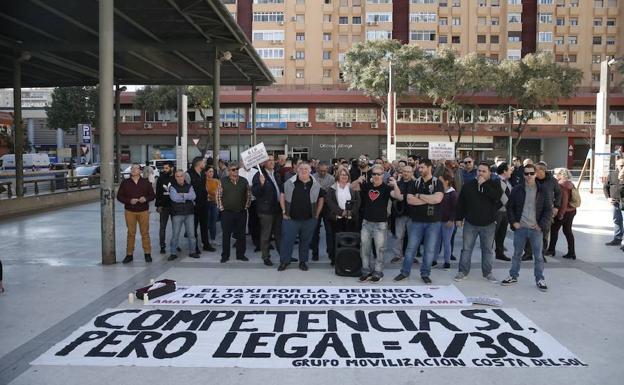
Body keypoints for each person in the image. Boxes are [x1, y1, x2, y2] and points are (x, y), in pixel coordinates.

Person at [502, 163, 552, 291]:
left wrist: (541, 225)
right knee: (517, 254)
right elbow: (510, 208)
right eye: (526, 173)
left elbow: (548, 210)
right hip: (521, 228)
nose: (529, 176)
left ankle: (540, 278)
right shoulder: (517, 189)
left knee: (538, 256)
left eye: (531, 173)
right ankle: (513, 276)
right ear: (523, 175)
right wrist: (514, 223)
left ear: (536, 174)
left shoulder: (543, 190)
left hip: (536, 229)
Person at [394, 159, 445, 284]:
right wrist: (428, 199)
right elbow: (410, 200)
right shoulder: (415, 182)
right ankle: (404, 272)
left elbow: (438, 199)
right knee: (411, 248)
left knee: (429, 249)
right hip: (416, 221)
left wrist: (420, 196)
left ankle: (425, 274)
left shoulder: (437, 182)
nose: (420, 170)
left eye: (422, 167)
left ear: (429, 168)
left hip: (433, 222)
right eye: (419, 168)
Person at [352, 164, 403, 283]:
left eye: (378, 174)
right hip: (366, 223)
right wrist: (357, 180)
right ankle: (366, 271)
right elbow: (352, 187)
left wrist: (395, 184)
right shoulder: (367, 186)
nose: (376, 176)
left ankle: (378, 272)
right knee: (364, 249)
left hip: (380, 224)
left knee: (380, 249)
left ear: (383, 175)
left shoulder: (386, 188)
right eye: (374, 174)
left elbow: (399, 197)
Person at [453, 162, 503, 283]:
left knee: (487, 250)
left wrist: (484, 185)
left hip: (489, 224)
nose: (480, 173)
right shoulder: (468, 186)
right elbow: (461, 204)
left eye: (483, 171)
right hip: (471, 223)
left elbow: (497, 198)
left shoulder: (495, 184)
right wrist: (459, 218)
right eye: (479, 171)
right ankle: (462, 272)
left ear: (489, 173)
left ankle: (487, 273)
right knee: (466, 249)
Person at [278, 162, 325, 272]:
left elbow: (321, 198)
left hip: (309, 219)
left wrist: (317, 214)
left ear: (310, 171)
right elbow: (282, 196)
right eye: (301, 168)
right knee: (287, 241)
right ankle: (285, 261)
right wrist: (284, 211)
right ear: (297, 170)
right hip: (290, 219)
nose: (304, 170)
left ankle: (303, 262)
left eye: (306, 169)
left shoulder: (315, 184)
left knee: (305, 242)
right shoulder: (289, 183)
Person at [116, 163, 156, 264]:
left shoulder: (145, 182)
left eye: (136, 168)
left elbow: (152, 195)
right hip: (130, 211)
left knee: (145, 233)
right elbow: (119, 196)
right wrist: (129, 200)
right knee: (130, 233)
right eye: (132, 168)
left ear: (140, 171)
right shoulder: (125, 183)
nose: (133, 170)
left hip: (143, 211)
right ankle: (129, 254)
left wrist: (145, 199)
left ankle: (147, 254)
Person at [324, 166, 361, 265]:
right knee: (336, 240)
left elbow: (358, 202)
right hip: (337, 219)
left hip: (350, 218)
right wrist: (341, 212)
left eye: (346, 175)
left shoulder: (353, 187)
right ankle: (335, 259)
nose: (344, 176)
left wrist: (350, 212)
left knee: (349, 239)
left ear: (348, 176)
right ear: (338, 176)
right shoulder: (332, 188)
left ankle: (348, 258)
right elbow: (329, 202)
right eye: (341, 174)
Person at [216, 162, 251, 263]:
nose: (235, 171)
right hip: (227, 213)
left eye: (237, 169)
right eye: (233, 169)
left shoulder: (244, 181)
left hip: (241, 212)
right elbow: (218, 196)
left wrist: (245, 207)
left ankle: (241, 255)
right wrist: (222, 209)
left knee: (241, 235)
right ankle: (225, 255)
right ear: (229, 171)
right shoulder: (223, 181)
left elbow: (248, 195)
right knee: (226, 235)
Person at [252, 155, 284, 266]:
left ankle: (283, 256)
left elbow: (280, 190)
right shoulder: (259, 175)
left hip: (277, 209)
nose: (271, 162)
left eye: (272, 160)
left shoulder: (277, 174)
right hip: (266, 210)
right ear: (263, 163)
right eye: (268, 160)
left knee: (279, 234)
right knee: (266, 235)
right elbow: (255, 192)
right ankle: (265, 256)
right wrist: (261, 184)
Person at [528, 162, 561, 261]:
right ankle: (528, 254)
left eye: (536, 170)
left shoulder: (552, 181)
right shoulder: (532, 179)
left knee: (544, 233)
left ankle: (541, 255)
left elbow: (559, 194)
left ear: (542, 171)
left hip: (546, 211)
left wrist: (556, 207)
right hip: (532, 210)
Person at [186, 157, 215, 254]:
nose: (205, 163)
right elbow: (186, 189)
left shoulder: (203, 173)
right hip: (193, 205)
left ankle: (206, 244)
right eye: (203, 162)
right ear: (198, 163)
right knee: (193, 227)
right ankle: (195, 246)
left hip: (204, 203)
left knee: (204, 225)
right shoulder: (188, 174)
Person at [546, 168, 577, 259]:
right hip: (572, 210)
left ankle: (551, 250)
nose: (554, 175)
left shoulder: (561, 185)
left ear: (560, 174)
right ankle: (572, 252)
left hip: (564, 211)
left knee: (554, 230)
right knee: (568, 231)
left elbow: (564, 200)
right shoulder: (570, 183)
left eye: (555, 173)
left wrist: (561, 214)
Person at [168, 170, 199, 260]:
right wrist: (186, 197)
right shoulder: (172, 187)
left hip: (189, 213)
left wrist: (182, 195)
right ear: (175, 177)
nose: (179, 178)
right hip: (177, 214)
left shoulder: (189, 186)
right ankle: (173, 253)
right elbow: (174, 198)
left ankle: (192, 252)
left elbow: (193, 196)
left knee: (191, 235)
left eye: (181, 176)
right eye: (177, 176)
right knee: (175, 235)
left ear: (184, 177)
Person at [390, 165, 414, 264]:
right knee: (399, 236)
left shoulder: (416, 184)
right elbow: (395, 196)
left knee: (413, 237)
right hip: (400, 214)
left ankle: (411, 255)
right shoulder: (397, 184)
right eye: (404, 171)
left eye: (408, 171)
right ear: (402, 172)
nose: (406, 173)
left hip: (413, 214)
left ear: (412, 173)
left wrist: (401, 196)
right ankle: (397, 255)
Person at [434, 170, 458, 270]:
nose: (438, 183)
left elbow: (455, 208)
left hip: (447, 222)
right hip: (438, 221)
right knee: (436, 242)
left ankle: (447, 262)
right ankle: (434, 260)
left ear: (446, 181)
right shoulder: (438, 192)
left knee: (446, 242)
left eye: (440, 181)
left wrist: (451, 220)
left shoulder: (452, 193)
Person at [311, 162, 335, 261]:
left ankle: (330, 252)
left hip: (327, 207)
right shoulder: (312, 177)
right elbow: (312, 191)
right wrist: (323, 191)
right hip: (315, 206)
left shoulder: (331, 178)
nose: (323, 172)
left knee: (329, 231)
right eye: (321, 171)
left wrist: (321, 191)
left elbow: (331, 193)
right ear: (317, 169)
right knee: (314, 231)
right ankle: (315, 253)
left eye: (325, 171)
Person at [494, 162, 513, 261]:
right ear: (504, 171)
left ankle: (499, 253)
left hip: (505, 212)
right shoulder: (496, 181)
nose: (511, 172)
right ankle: (488, 254)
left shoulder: (507, 182)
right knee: (493, 233)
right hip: (497, 212)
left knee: (502, 234)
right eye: (509, 170)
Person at [155, 161, 175, 254]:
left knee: (176, 227)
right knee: (162, 227)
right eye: (164, 168)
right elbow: (158, 192)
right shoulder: (160, 178)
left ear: (171, 168)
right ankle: (162, 246)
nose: (164, 170)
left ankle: (175, 244)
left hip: (175, 207)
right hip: (164, 207)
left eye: (166, 168)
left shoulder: (176, 177)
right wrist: (158, 205)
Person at [604, 158, 624, 247]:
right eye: (621, 166)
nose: (623, 167)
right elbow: (605, 187)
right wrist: (608, 198)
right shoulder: (612, 174)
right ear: (617, 166)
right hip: (615, 202)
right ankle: (617, 239)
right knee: (617, 220)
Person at [204, 166, 220, 244]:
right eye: (209, 171)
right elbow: (205, 192)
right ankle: (205, 240)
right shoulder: (203, 181)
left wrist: (211, 194)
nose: (211, 173)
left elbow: (219, 192)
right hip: (206, 203)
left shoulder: (216, 181)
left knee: (213, 222)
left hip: (215, 203)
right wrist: (213, 193)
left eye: (212, 172)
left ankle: (213, 239)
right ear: (205, 172)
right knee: (206, 222)